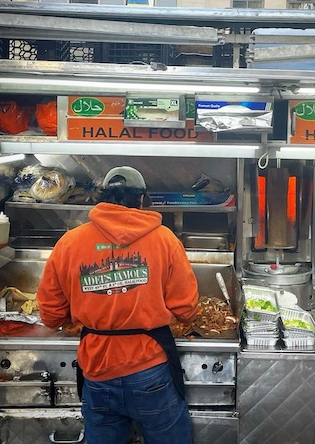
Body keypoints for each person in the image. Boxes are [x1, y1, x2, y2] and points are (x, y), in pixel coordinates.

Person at [37, 166, 199, 444]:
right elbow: (187, 309)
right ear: (141, 200)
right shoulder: (165, 240)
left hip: (97, 369)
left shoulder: (69, 243)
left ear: (101, 200)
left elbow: (51, 316)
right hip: (150, 368)